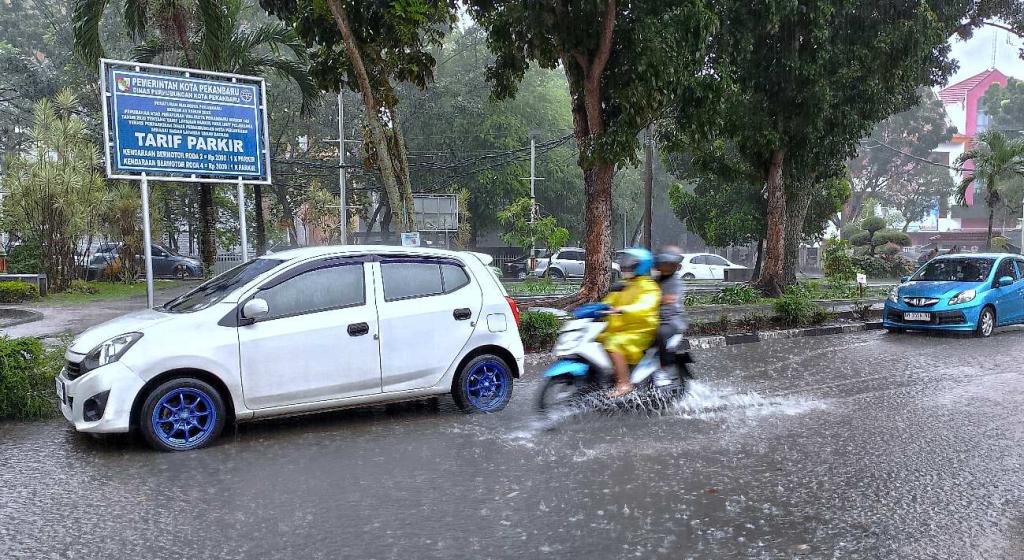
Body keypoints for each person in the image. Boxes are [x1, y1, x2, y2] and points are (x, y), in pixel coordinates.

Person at [599, 248, 661, 398]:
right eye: (625, 261)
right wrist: (594, 309)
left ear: (641, 265)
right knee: (598, 339)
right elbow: (609, 302)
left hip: (640, 331)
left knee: (614, 343)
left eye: (630, 263)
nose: (625, 265)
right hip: (622, 328)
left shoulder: (649, 287)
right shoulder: (625, 285)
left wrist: (624, 309)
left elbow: (645, 305)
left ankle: (624, 383)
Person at [653, 247, 686, 369]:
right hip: (654, 319)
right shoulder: (655, 280)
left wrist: (655, 299)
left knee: (660, 334)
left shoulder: (675, 281)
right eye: (664, 264)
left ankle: (664, 367)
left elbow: (671, 298)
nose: (666, 267)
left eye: (670, 264)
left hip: (671, 321)